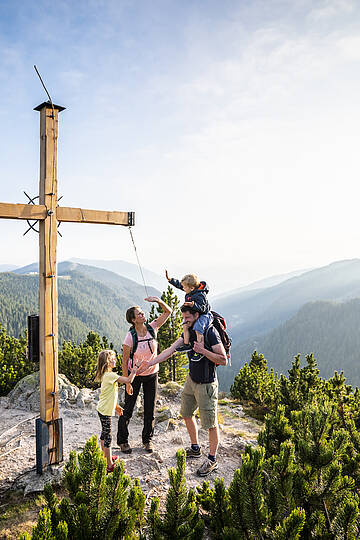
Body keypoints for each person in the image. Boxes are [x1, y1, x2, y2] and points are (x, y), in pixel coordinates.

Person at [138, 305, 227, 476]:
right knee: (186, 414)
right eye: (184, 317)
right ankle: (195, 448)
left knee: (210, 424)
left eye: (188, 317)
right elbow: (170, 350)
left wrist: (203, 351)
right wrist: (150, 363)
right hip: (191, 380)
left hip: (206, 384)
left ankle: (212, 460)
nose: (185, 320)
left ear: (197, 315)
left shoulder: (209, 332)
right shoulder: (189, 331)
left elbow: (222, 359)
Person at [117, 296, 172, 454]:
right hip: (134, 376)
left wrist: (158, 302)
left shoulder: (152, 328)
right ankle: (122, 441)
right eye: (139, 314)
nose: (143, 315)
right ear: (133, 320)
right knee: (128, 409)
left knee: (150, 409)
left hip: (152, 374)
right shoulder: (130, 337)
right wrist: (127, 382)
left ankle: (147, 440)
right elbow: (124, 361)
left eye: (142, 312)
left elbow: (168, 312)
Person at [95, 349, 139, 473]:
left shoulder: (107, 375)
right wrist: (134, 369)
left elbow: (110, 394)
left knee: (104, 434)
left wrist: (117, 407)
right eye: (113, 358)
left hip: (103, 409)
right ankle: (109, 465)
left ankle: (105, 457)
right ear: (107, 362)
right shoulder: (110, 375)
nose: (115, 360)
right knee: (108, 436)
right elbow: (128, 380)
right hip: (105, 411)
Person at [165, 270, 213, 360]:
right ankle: (187, 345)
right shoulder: (191, 290)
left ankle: (200, 351)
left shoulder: (200, 295)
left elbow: (203, 308)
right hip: (194, 313)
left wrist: (193, 305)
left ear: (191, 288)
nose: (183, 289)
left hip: (204, 315)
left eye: (184, 287)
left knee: (198, 328)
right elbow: (180, 285)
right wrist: (170, 279)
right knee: (185, 326)